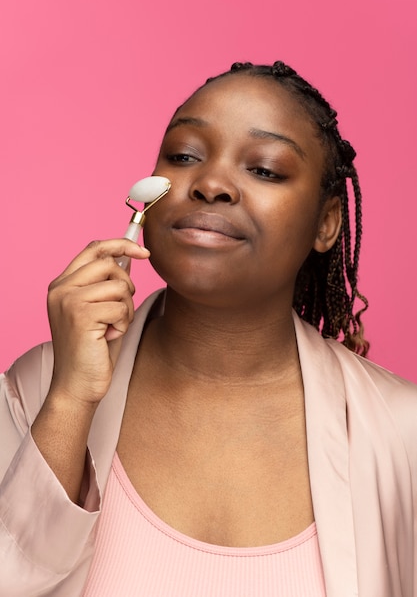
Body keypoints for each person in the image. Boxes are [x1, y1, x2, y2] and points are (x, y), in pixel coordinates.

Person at [0, 61, 416, 597]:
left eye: (264, 169)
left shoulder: (401, 433)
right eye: (184, 156)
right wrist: (69, 400)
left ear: (326, 223)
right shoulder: (36, 390)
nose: (212, 183)